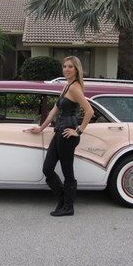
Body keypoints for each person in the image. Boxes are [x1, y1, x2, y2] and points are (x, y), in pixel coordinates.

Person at [25, 56, 94, 216]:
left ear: (77, 69)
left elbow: (89, 111)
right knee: (47, 168)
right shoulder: (66, 86)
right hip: (59, 132)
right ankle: (63, 200)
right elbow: (54, 111)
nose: (66, 69)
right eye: (64, 66)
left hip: (67, 134)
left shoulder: (75, 87)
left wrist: (78, 131)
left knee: (67, 171)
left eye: (70, 67)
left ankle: (68, 207)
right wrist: (41, 128)